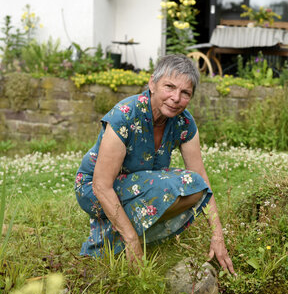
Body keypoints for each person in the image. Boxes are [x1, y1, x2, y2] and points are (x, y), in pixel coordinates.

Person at [75, 54, 234, 274]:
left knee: (195, 187)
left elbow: (202, 180)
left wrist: (218, 236)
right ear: (152, 83)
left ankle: (124, 234)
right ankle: (124, 240)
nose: (176, 98)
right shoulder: (125, 116)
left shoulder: (183, 122)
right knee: (166, 187)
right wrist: (132, 241)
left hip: (139, 184)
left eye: (185, 93)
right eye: (169, 87)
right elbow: (101, 185)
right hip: (94, 189)